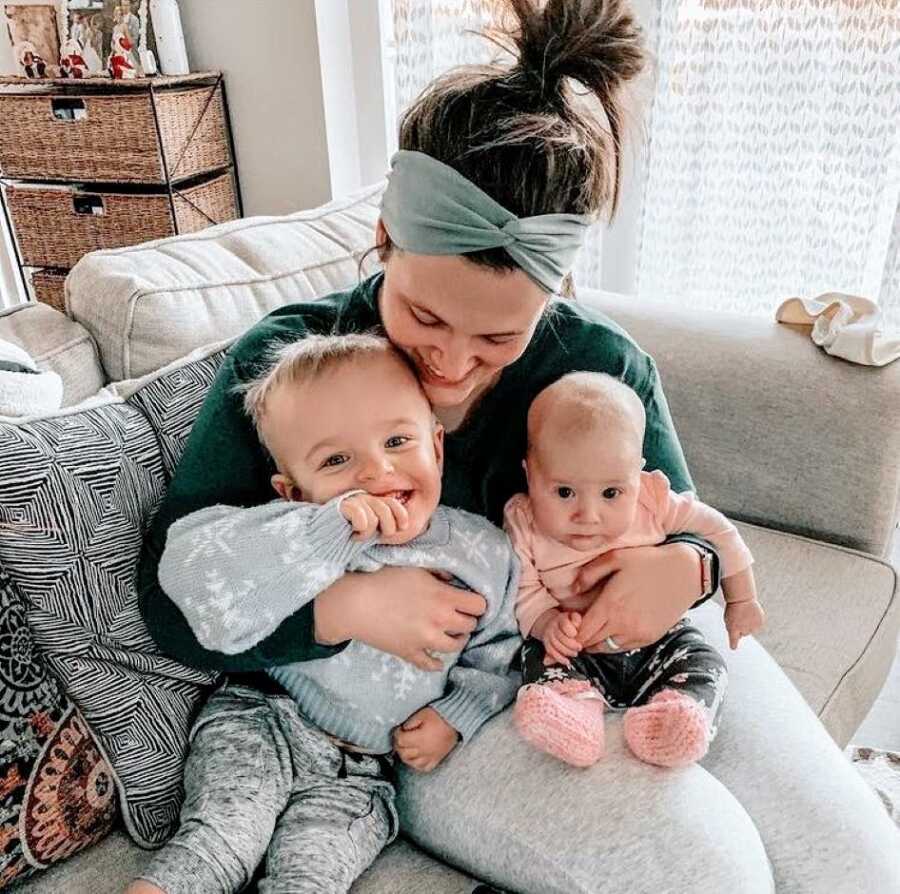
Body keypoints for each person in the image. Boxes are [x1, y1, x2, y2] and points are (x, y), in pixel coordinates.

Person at [137, 0, 900, 890]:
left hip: (652, 649)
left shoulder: (600, 363)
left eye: (499, 339)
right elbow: (172, 599)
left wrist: (689, 567)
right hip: (457, 707)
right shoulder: (289, 369)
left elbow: (681, 523)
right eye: (423, 315)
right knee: (706, 864)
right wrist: (341, 613)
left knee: (851, 854)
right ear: (383, 240)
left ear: (557, 292)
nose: (454, 366)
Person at [128, 334, 520, 893]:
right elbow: (191, 568)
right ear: (292, 490)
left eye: (398, 440)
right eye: (337, 459)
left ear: (437, 445)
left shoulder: (484, 552)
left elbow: (501, 655)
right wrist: (323, 530)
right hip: (263, 720)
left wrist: (456, 715)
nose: (375, 471)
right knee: (218, 842)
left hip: (361, 773)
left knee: (311, 877)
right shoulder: (295, 535)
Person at [507, 372, 764, 768]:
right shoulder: (523, 521)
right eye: (563, 492)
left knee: (706, 665)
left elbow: (719, 530)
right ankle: (574, 714)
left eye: (612, 493)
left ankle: (673, 715)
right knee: (541, 661)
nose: (588, 515)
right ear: (530, 473)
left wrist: (742, 597)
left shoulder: (652, 501)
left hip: (661, 639)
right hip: (577, 648)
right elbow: (523, 588)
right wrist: (546, 623)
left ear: (638, 474)